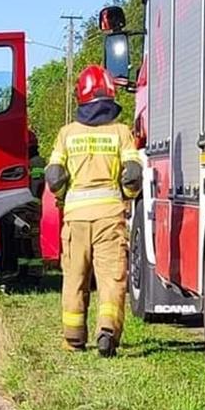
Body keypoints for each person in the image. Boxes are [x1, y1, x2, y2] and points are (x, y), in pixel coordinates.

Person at [45, 66, 141, 357]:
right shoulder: (121, 133)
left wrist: (63, 199)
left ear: (81, 96)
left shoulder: (67, 134)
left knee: (74, 278)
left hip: (75, 220)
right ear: (110, 94)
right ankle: (107, 331)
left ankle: (74, 338)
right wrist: (129, 197)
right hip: (110, 218)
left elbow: (54, 176)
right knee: (112, 278)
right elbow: (133, 174)